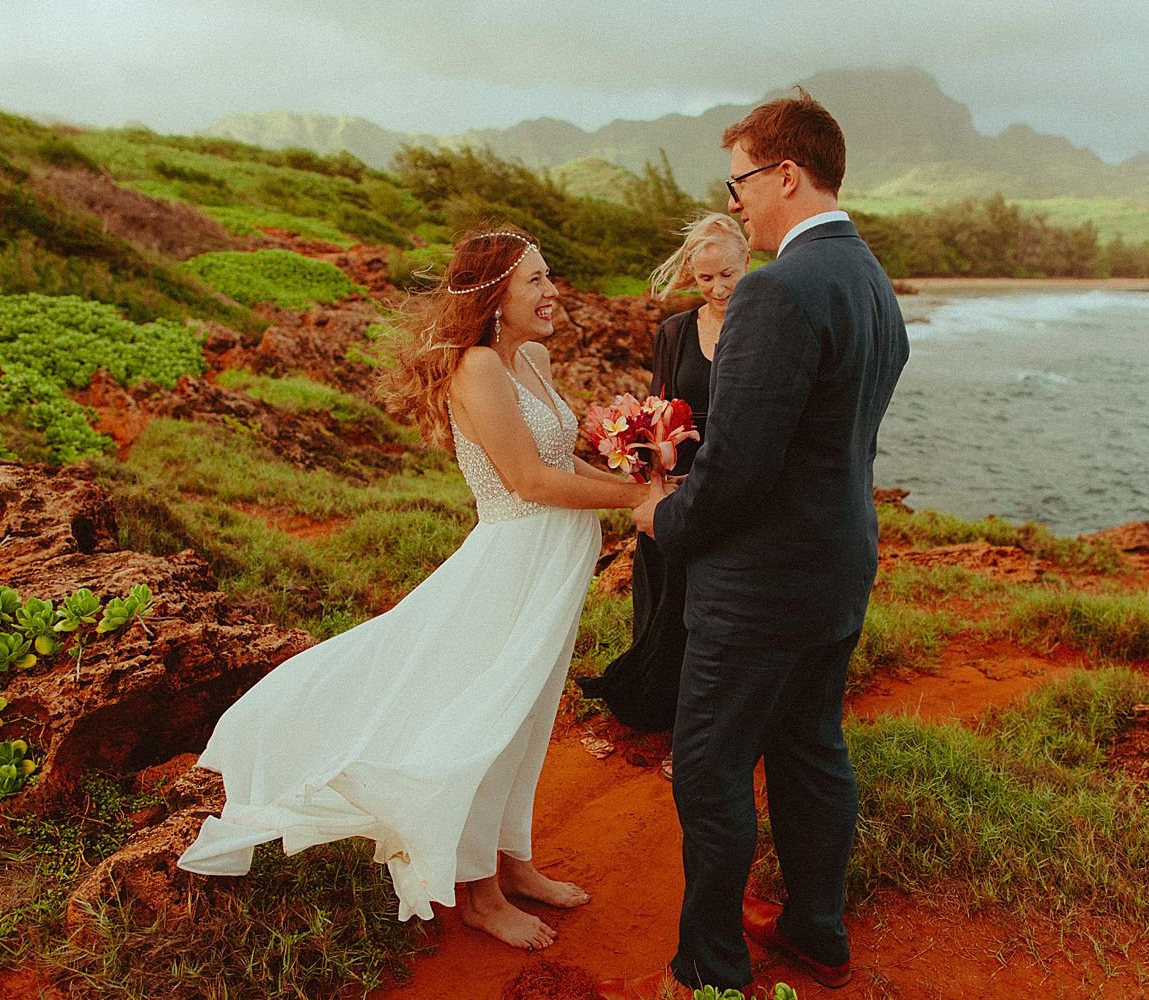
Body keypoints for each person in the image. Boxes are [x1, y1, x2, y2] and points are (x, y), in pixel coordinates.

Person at [178, 225, 648, 953]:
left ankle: (515, 863)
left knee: (527, 721)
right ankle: (481, 896)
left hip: (554, 565)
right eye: (536, 280)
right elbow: (527, 480)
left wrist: (641, 486)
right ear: (496, 293)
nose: (552, 291)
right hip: (510, 563)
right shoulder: (478, 367)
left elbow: (565, 457)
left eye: (549, 277)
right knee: (486, 722)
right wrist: (632, 504)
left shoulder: (532, 359)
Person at [603, 89, 910, 997]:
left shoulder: (777, 290)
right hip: (838, 565)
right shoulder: (870, 278)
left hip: (760, 586)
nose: (734, 200)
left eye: (740, 181)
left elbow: (739, 470)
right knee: (812, 749)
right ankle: (818, 932)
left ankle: (709, 970)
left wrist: (663, 516)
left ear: (786, 174)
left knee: (708, 767)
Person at [576, 213, 750, 747]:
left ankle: (717, 727)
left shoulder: (764, 327)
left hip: (737, 482)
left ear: (749, 262)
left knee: (721, 612)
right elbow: (657, 413)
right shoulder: (674, 332)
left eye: (728, 274)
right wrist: (654, 484)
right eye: (705, 278)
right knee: (670, 602)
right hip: (677, 486)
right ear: (691, 278)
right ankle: (669, 713)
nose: (718, 288)